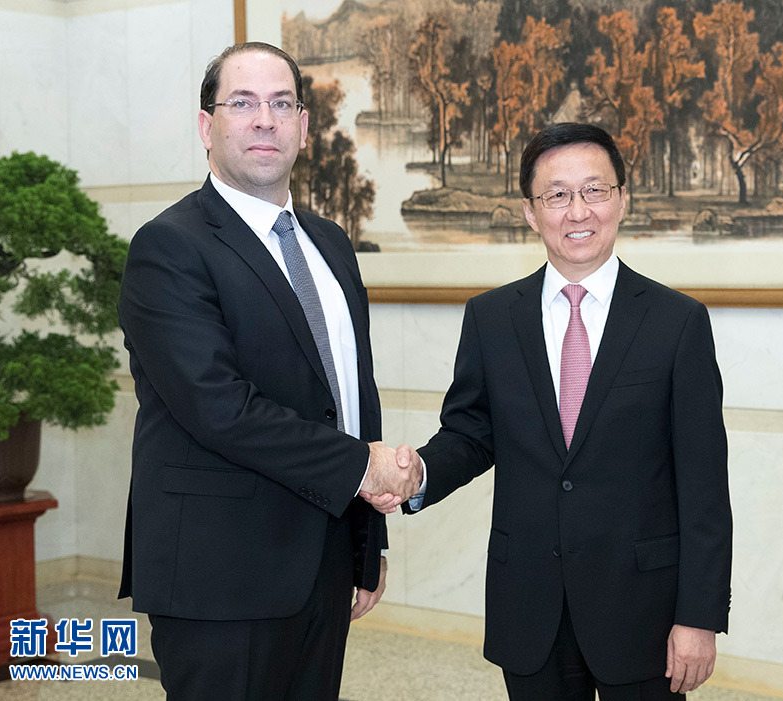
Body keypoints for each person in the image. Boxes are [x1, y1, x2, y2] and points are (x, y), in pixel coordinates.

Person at [366, 123, 732, 700]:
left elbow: (704, 485)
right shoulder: (491, 318)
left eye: (594, 190)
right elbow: (471, 433)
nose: (577, 211)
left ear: (622, 199)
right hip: (529, 603)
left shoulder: (677, 322)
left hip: (643, 609)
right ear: (530, 212)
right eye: (557, 195)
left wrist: (699, 617)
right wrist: (419, 474)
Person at [117, 42, 419, 700]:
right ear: (207, 126)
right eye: (243, 103)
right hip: (220, 577)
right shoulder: (169, 246)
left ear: (304, 127)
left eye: (282, 104)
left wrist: (368, 542)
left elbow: (351, 399)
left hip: (323, 563)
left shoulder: (331, 243)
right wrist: (363, 467)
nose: (264, 119)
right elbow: (220, 409)